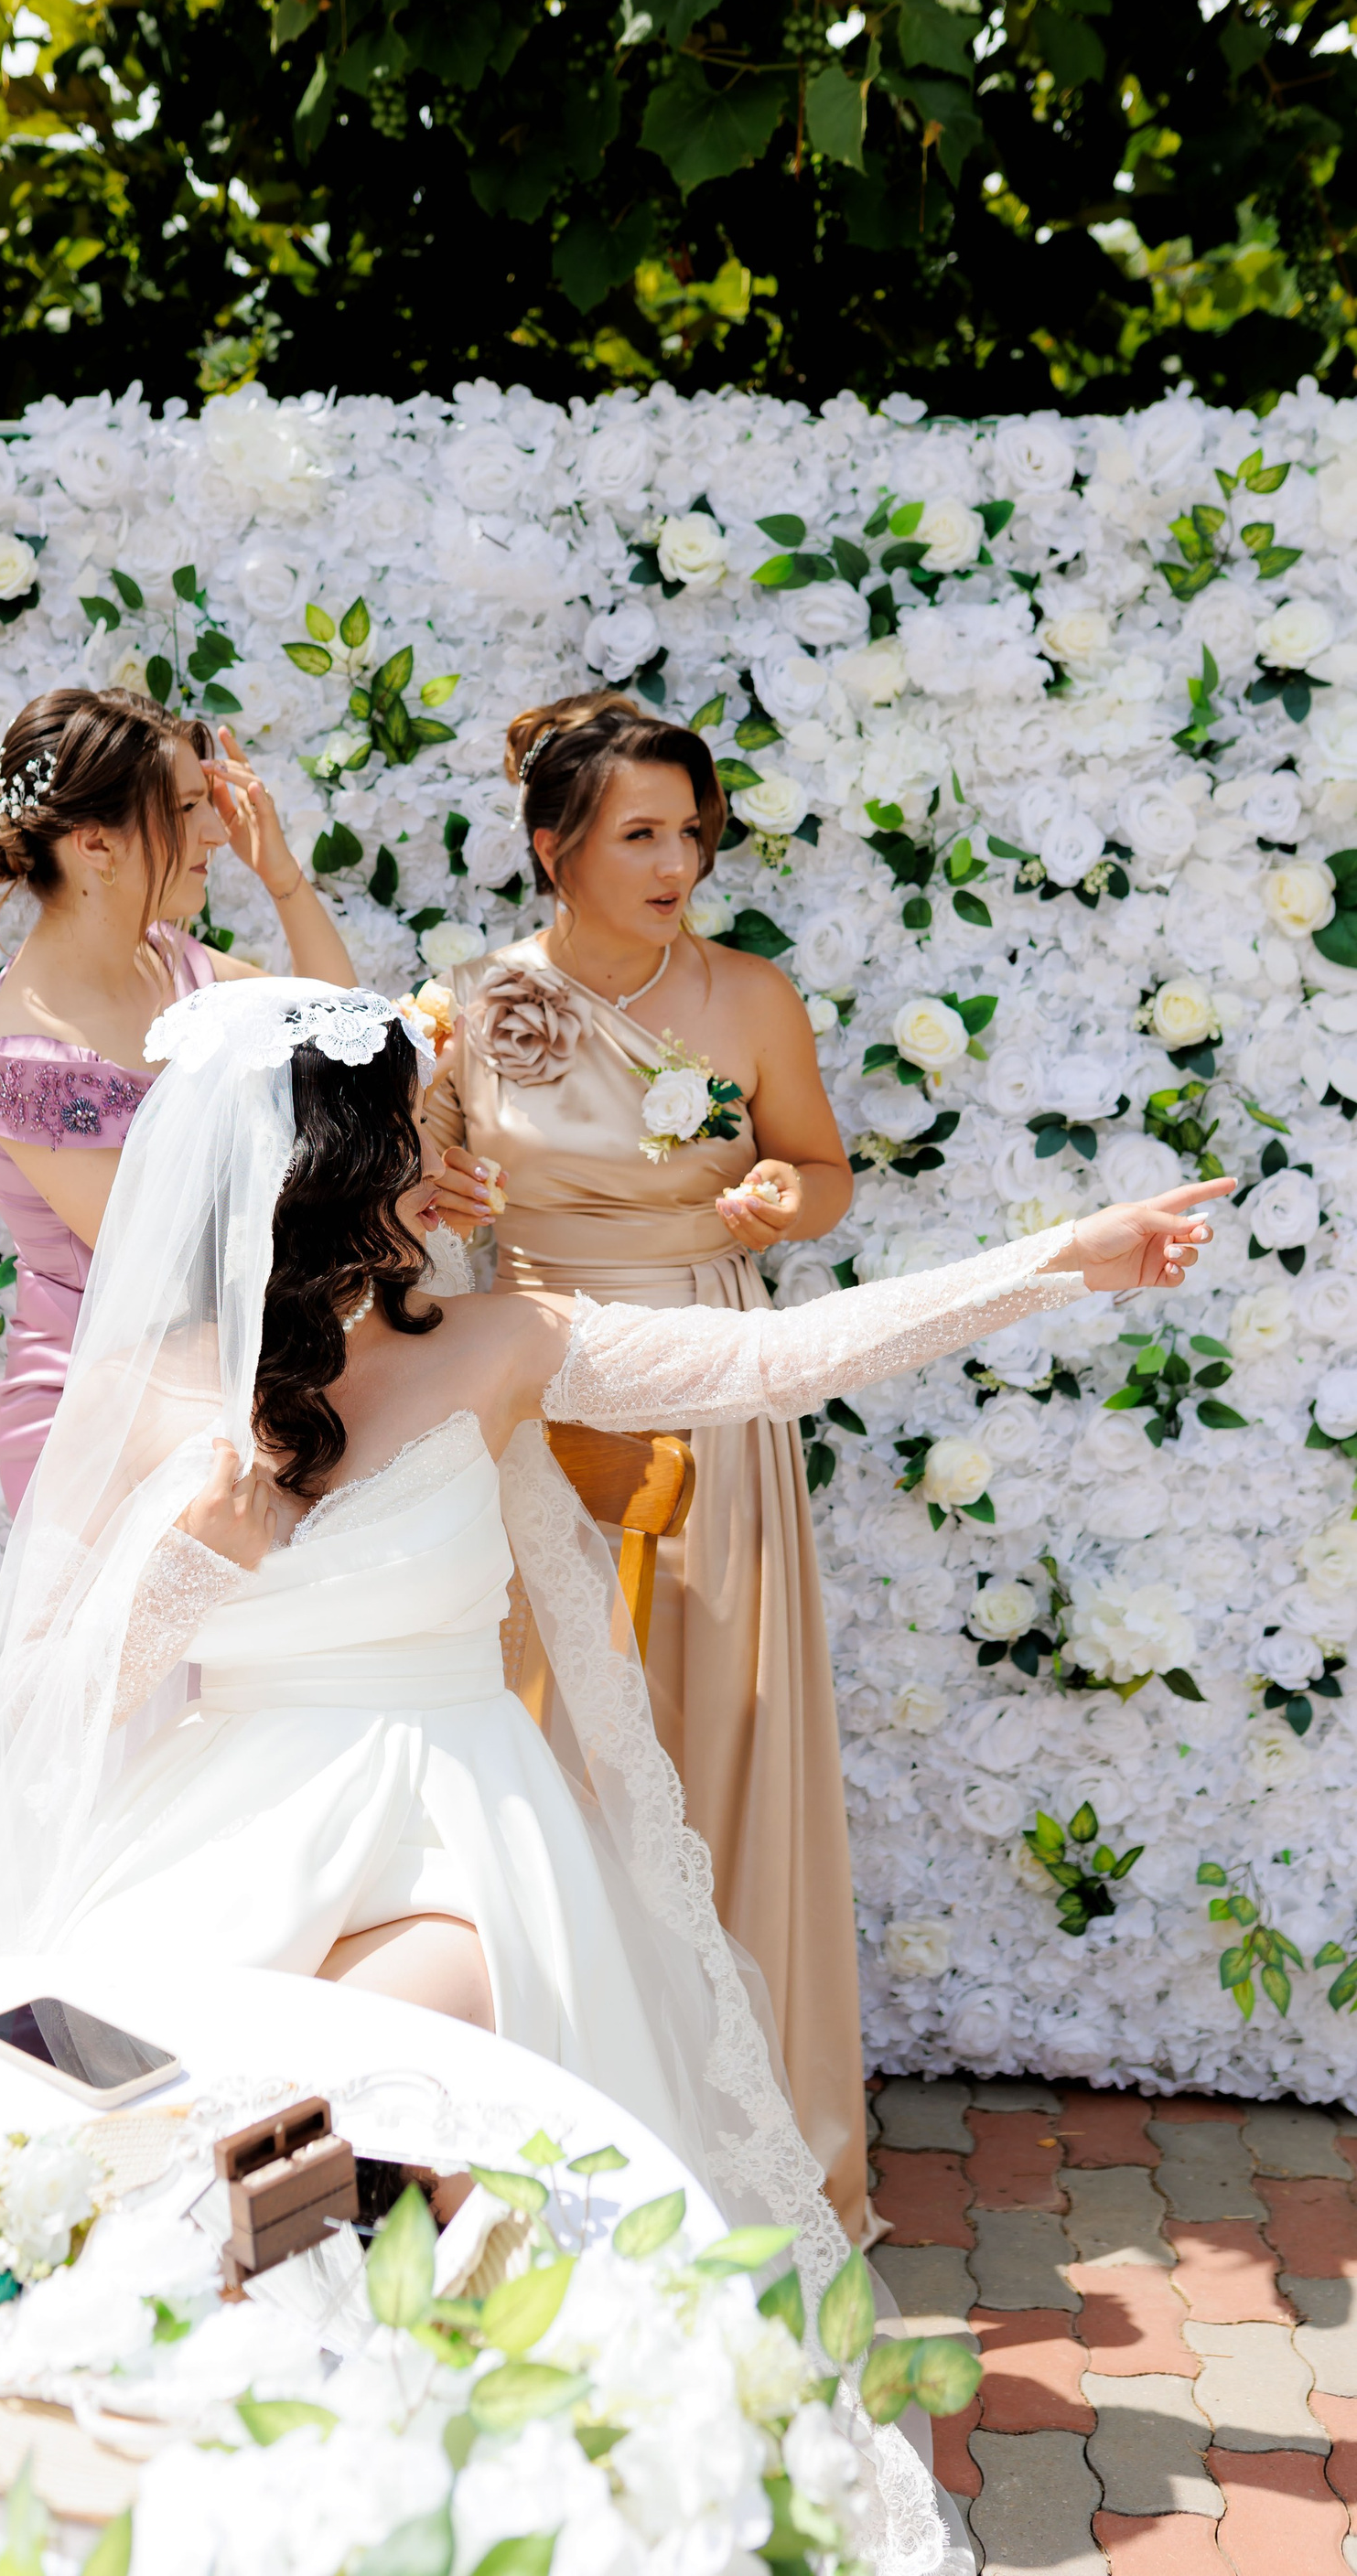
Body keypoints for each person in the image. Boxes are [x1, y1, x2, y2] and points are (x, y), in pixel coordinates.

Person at [0, 977, 1225, 2565]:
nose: (444, 1158)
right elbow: (57, 1699)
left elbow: (778, 1359)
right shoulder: (155, 1389)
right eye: (410, 1133)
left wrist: (1058, 1261)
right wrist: (195, 1565)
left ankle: (387, 2473)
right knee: (122, 2126)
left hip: (457, 1837)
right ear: (333, 1173)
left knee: (348, 2097)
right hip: (235, 1819)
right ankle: (190, 2473)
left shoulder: (501, 1340)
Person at [426, 691, 874, 2230]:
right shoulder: (470, 1011)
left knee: (724, 1729)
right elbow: (412, 1199)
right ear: (554, 847)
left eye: (691, 832)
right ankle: (569, 2122)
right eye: (640, 834)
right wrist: (442, 1191)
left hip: (716, 1380)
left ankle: (758, 2137)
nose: (678, 862)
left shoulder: (750, 998)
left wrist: (782, 1199)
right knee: (549, 1736)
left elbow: (823, 1172)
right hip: (539, 1385)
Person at [0, 686, 367, 1512]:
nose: (214, 830)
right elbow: (173, 1262)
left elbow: (341, 1028)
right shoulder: (26, 1062)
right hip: (101, 1422)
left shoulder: (167, 960)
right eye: (184, 809)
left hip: (227, 1383)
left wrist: (281, 876)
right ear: (95, 844)